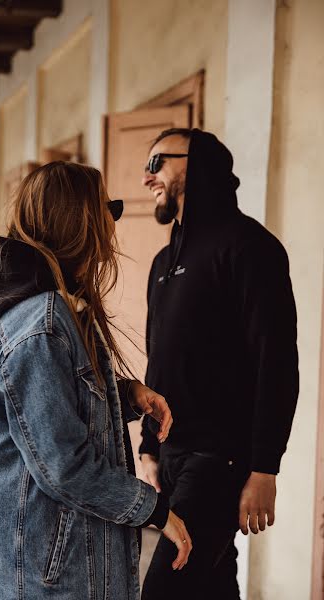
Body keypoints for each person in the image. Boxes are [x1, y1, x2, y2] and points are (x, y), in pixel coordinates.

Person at [0, 161, 192, 600]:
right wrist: (156, 511)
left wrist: (128, 394)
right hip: (46, 577)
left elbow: (56, 407)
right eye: (105, 211)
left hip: (54, 564)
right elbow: (64, 466)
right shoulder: (43, 323)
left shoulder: (56, 309)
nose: (112, 227)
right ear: (81, 224)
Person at [139, 128, 299, 599]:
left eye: (156, 164)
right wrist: (149, 446)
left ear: (196, 162)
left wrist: (265, 468)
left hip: (219, 458)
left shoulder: (251, 248)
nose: (147, 178)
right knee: (211, 583)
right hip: (172, 454)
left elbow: (276, 363)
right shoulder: (163, 261)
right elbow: (160, 360)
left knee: (164, 590)